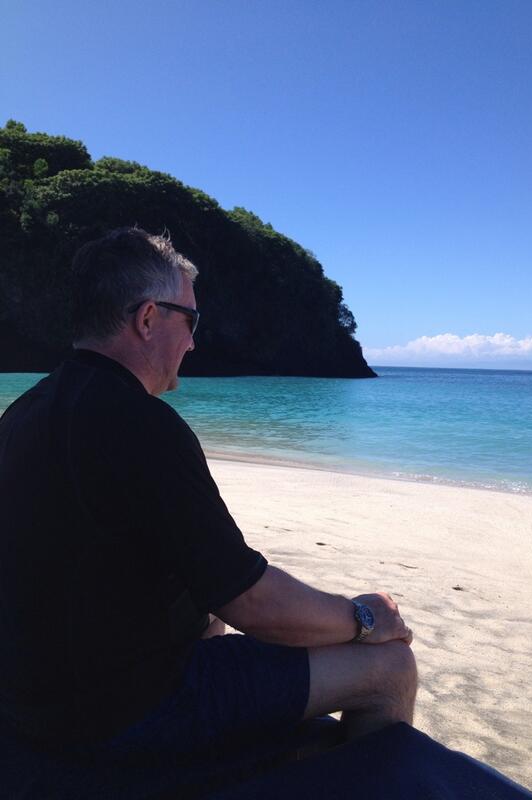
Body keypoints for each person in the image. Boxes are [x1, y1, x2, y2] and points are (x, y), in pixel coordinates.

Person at [0, 228, 416, 795]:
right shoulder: (143, 427)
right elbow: (253, 603)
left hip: (35, 700)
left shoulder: (24, 414)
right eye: (190, 321)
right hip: (122, 715)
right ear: (149, 319)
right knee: (389, 668)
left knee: (208, 624)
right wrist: (364, 619)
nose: (194, 344)